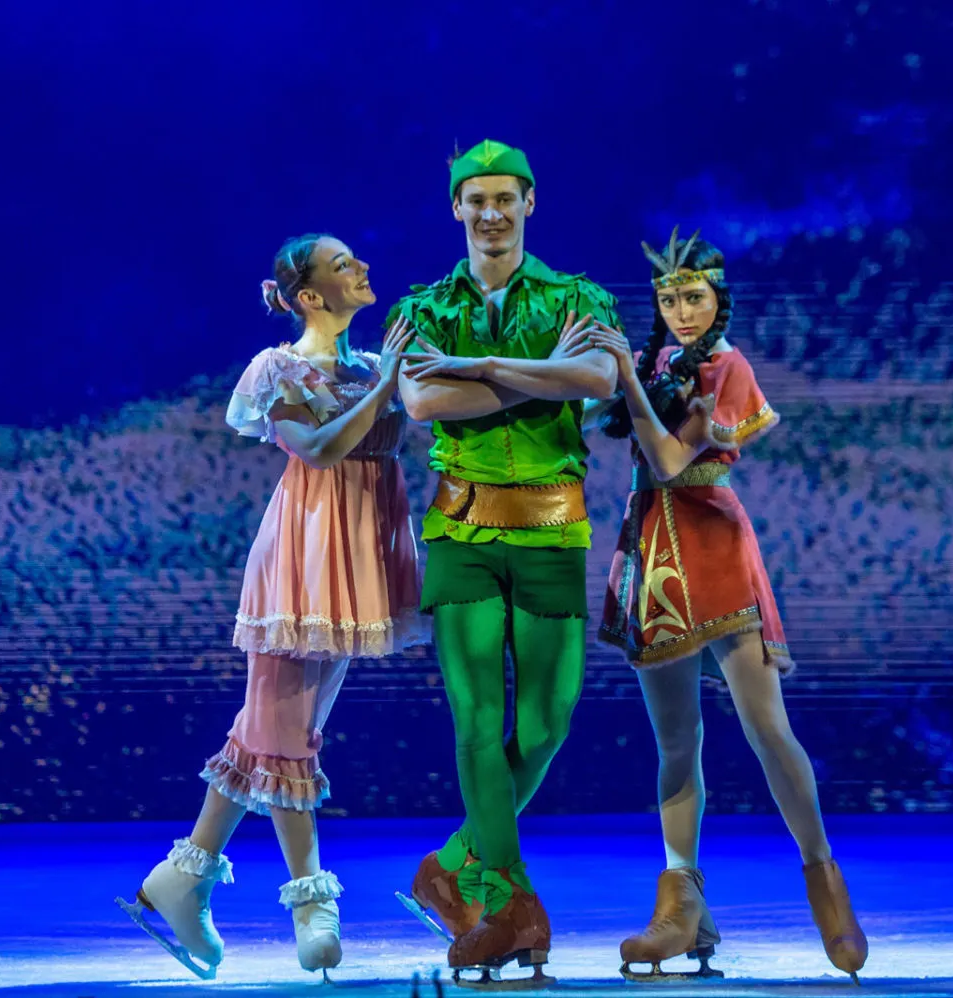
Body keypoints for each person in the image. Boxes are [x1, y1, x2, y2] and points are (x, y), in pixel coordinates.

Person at [117, 234, 423, 980]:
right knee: (286, 728)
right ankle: (310, 899)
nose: (362, 269)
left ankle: (183, 876)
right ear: (310, 296)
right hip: (305, 551)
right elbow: (315, 450)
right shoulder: (280, 368)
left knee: (277, 726)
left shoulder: (373, 364)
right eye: (343, 265)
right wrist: (386, 387)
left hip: (363, 556)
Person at [588, 229, 868, 983]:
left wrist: (629, 379)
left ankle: (824, 879)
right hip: (653, 551)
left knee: (766, 727)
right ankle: (682, 902)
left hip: (711, 544)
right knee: (676, 741)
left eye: (694, 297)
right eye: (668, 299)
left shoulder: (726, 366)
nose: (681, 311)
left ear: (718, 300)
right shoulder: (649, 364)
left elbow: (669, 460)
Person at [389, 139, 619, 984]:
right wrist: (546, 373)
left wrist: (484, 367)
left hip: (553, 528)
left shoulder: (578, 297)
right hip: (461, 532)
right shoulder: (424, 306)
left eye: (505, 198)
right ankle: (509, 902)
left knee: (548, 723)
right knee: (478, 723)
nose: (491, 213)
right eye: (476, 199)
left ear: (530, 202)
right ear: (456, 207)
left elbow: (599, 380)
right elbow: (423, 400)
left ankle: (452, 864)